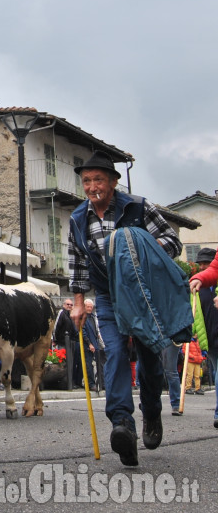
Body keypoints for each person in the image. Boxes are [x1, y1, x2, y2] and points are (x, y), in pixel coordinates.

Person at [68, 151, 182, 466]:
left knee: (148, 358)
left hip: (142, 295)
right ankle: (122, 424)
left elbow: (173, 242)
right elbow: (77, 265)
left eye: (98, 179)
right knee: (115, 354)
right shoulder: (78, 218)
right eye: (87, 181)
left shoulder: (138, 207)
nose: (92, 187)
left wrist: (145, 248)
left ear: (114, 182)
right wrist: (78, 303)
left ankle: (152, 414)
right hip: (106, 295)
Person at [190, 248, 218, 427]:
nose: (202, 267)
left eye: (205, 264)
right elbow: (197, 314)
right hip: (210, 336)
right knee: (216, 371)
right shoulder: (201, 289)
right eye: (200, 265)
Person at [54, 298, 79, 388]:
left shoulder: (70, 315)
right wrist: (55, 340)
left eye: (71, 305)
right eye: (68, 304)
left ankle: (70, 382)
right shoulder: (62, 313)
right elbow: (56, 327)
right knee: (63, 363)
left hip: (70, 343)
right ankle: (64, 383)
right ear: (64, 305)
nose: (69, 306)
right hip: (62, 342)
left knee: (70, 363)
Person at [86, 298, 106, 390]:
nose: (89, 308)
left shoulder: (93, 317)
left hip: (96, 343)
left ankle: (102, 382)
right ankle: (91, 384)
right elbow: (82, 332)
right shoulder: (83, 317)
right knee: (89, 365)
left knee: (100, 364)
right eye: (88, 307)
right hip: (87, 344)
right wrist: (89, 343)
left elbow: (97, 330)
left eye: (91, 307)